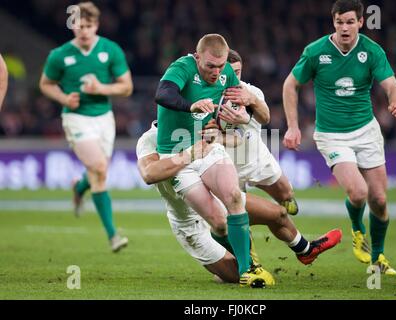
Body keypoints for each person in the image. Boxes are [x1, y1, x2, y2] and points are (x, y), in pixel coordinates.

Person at [136, 121, 342, 285]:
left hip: (216, 200)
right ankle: (235, 267)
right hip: (191, 224)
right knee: (232, 276)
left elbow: (237, 141)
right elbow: (149, 173)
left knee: (278, 213)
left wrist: (223, 136)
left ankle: (306, 250)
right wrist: (189, 155)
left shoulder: (194, 126)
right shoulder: (149, 140)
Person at [282, 0, 396, 275]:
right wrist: (293, 126)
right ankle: (358, 231)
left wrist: (395, 101)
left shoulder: (372, 51)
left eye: (350, 22)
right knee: (358, 191)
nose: (345, 27)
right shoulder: (316, 52)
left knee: (380, 200)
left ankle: (378, 257)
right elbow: (291, 84)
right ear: (333, 23)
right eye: (340, 22)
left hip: (366, 131)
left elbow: (392, 86)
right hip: (332, 135)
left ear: (361, 22)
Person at [154, 34, 257, 284]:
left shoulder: (226, 74)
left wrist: (243, 113)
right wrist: (191, 106)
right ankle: (242, 259)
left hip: (207, 147)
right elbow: (163, 94)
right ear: (197, 56)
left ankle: (248, 270)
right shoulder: (182, 67)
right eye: (210, 66)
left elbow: (242, 104)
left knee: (233, 196)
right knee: (218, 222)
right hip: (177, 153)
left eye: (221, 66)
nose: (216, 71)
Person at [39, 2, 133, 252]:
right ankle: (114, 236)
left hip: (104, 119)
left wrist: (101, 89)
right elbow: (46, 84)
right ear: (73, 26)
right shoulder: (59, 55)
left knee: (96, 174)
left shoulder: (110, 50)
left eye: (89, 26)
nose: (84, 31)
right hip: (76, 118)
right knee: (101, 169)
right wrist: (63, 98)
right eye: (80, 26)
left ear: (97, 26)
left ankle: (79, 187)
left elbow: (126, 86)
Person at [220, 49, 299, 215]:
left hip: (256, 158)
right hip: (227, 166)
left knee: (287, 195)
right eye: (229, 73)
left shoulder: (252, 92)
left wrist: (253, 101)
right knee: (236, 216)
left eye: (237, 72)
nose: (234, 77)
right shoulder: (209, 96)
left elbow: (266, 118)